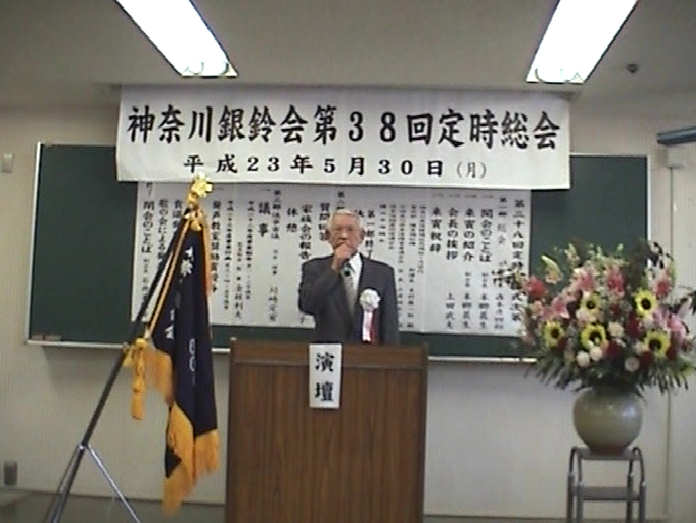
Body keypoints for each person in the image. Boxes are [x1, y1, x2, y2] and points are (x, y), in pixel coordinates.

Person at [298, 209, 400, 345]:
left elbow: (390, 323)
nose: (344, 236)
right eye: (338, 230)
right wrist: (334, 267)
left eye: (350, 230)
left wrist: (391, 354)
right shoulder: (314, 268)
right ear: (327, 235)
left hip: (369, 352)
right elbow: (307, 305)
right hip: (329, 351)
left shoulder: (382, 273)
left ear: (362, 236)